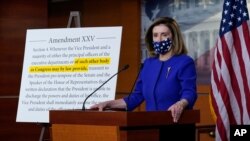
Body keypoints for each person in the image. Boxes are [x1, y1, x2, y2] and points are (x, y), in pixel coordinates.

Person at [90, 17, 197, 139]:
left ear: (174, 37)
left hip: (176, 128)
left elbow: (189, 92)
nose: (159, 39)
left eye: (164, 35)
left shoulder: (184, 62)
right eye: (155, 35)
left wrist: (181, 104)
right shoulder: (148, 64)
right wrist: (108, 103)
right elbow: (136, 96)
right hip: (150, 127)